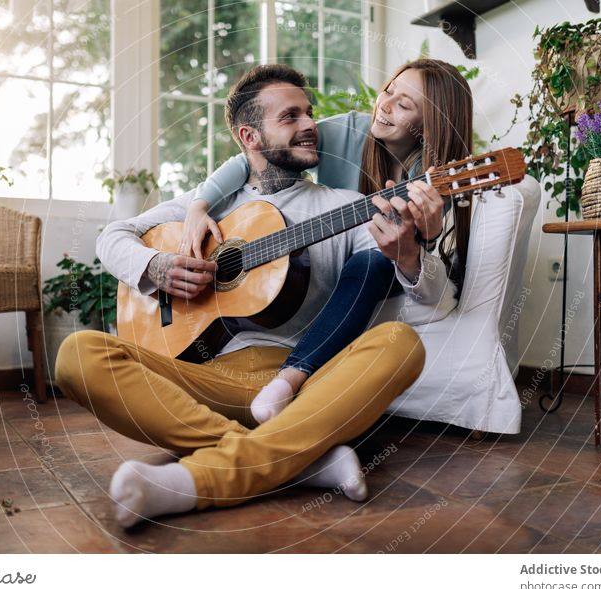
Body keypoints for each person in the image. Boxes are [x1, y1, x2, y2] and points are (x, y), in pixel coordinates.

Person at [55, 64, 426, 528]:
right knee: (78, 354)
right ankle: (298, 460)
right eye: (290, 117)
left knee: (400, 343)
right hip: (199, 378)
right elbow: (113, 236)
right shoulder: (208, 207)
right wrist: (157, 266)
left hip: (297, 386)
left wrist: (407, 250)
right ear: (250, 137)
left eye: (308, 114)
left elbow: (390, 275)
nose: (310, 125)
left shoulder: (342, 207)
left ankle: (207, 477)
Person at [180, 59, 472, 424]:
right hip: (327, 259)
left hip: (380, 270)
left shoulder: (434, 183)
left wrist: (425, 238)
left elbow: (436, 274)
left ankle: (290, 377)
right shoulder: (348, 132)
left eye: (404, 104)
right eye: (388, 91)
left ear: (432, 124)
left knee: (374, 261)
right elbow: (251, 158)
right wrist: (198, 205)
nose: (385, 104)